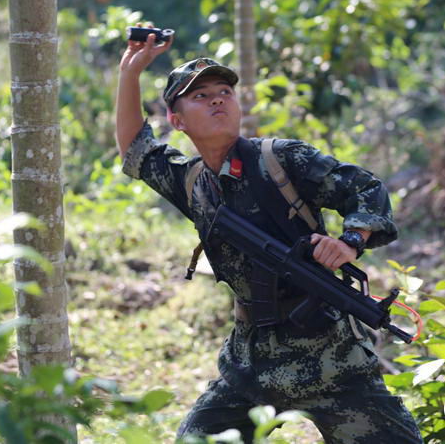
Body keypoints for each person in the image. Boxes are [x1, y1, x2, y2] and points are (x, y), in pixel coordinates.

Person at [115, 26, 423, 444]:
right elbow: (136, 148)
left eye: (224, 90)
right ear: (177, 120)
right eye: (200, 96)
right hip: (251, 364)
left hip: (332, 360)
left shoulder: (281, 159)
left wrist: (349, 242)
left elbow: (365, 189)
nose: (217, 99)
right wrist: (129, 72)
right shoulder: (190, 182)